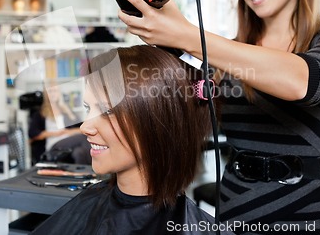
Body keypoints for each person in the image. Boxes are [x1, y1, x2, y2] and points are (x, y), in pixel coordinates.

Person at [115, 0, 320, 234]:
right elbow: (189, 110)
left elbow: (303, 82)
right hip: (234, 211)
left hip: (309, 217)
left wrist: (188, 35)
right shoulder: (230, 53)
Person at [32, 45, 233, 234]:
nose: (85, 127)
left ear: (156, 121)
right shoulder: (89, 203)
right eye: (87, 108)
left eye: (106, 110)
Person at [28, 83, 91, 165]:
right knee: (83, 138)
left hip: (70, 144)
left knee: (79, 152)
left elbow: (82, 128)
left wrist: (68, 132)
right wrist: (55, 133)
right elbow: (32, 133)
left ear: (59, 94)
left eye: (55, 91)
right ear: (46, 95)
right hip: (54, 146)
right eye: (50, 91)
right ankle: (96, 169)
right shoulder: (40, 114)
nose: (53, 93)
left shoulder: (66, 111)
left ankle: (83, 175)